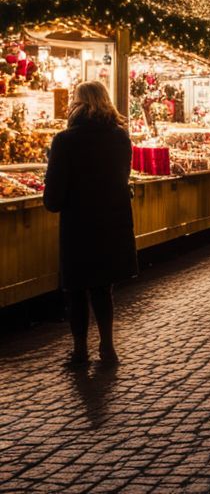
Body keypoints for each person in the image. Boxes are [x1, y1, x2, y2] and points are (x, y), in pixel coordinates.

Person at [43, 81, 136, 366]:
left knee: (76, 289)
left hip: (78, 225)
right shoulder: (120, 137)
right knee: (102, 288)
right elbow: (122, 177)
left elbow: (53, 197)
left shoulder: (65, 140)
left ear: (78, 103)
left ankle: (80, 350)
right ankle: (107, 347)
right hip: (111, 222)